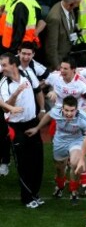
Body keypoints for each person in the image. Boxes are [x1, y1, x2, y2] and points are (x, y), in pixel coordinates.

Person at [25, 95, 86, 205]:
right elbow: (48, 116)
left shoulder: (83, 118)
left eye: (72, 110)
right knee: (59, 169)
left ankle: (73, 191)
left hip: (76, 141)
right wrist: (37, 128)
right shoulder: (56, 111)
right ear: (62, 109)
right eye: (66, 110)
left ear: (77, 109)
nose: (69, 113)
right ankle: (60, 186)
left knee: (75, 163)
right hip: (59, 142)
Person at [0, 52, 42, 207]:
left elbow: (38, 90)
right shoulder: (5, 83)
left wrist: (42, 109)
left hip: (32, 122)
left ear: (13, 65)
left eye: (4, 65)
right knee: (23, 162)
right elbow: (6, 108)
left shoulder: (28, 74)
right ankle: (27, 198)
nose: (2, 68)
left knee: (37, 159)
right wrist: (17, 92)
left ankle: (35, 193)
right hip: (16, 127)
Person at [44, 0, 81, 70]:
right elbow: (51, 46)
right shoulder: (55, 18)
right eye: (76, 5)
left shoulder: (69, 10)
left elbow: (70, 29)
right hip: (58, 63)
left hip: (67, 58)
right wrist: (57, 67)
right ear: (70, 4)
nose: (77, 7)